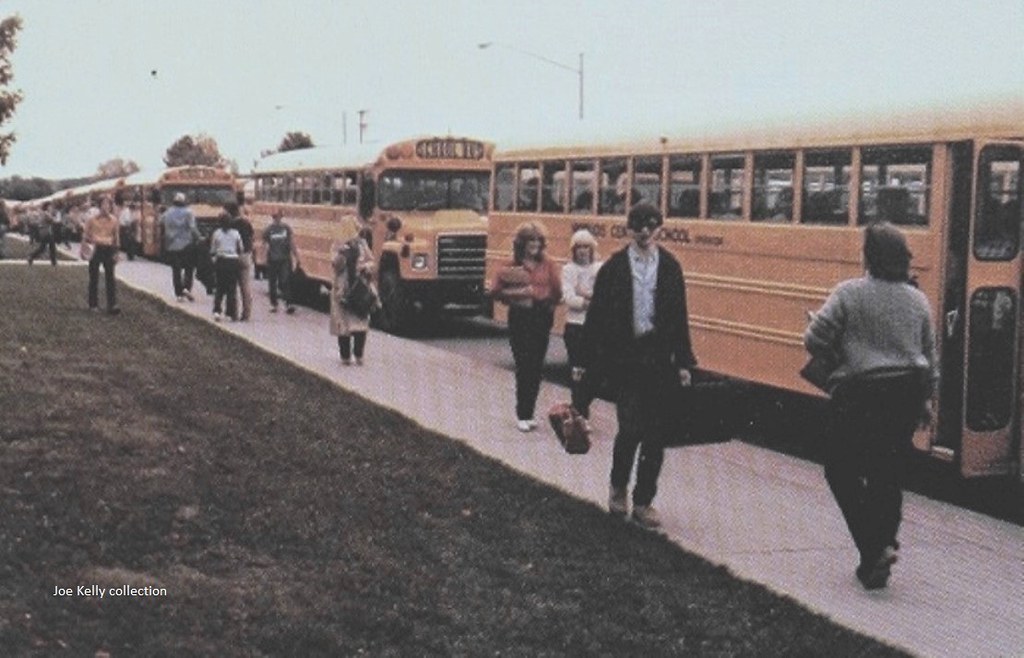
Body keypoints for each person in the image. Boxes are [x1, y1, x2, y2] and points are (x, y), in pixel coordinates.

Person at [804, 222, 938, 590]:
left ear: (868, 257)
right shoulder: (917, 299)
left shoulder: (849, 293)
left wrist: (825, 332)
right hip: (906, 392)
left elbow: (815, 340)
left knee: (840, 469)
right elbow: (929, 354)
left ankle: (874, 546)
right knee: (888, 470)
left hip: (860, 393)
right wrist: (927, 399)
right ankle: (880, 552)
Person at [583, 203, 697, 529]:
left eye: (650, 225)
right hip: (626, 359)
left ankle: (644, 501)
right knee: (631, 428)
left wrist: (684, 361)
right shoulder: (615, 268)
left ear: (659, 228)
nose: (644, 231)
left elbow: (679, 318)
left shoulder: (671, 267)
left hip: (659, 359)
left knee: (656, 435)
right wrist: (588, 359)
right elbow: (597, 317)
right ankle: (618, 489)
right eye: (637, 225)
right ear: (628, 228)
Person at [490, 221, 562, 432]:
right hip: (520, 316)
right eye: (530, 241)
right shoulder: (510, 264)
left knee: (536, 366)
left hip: (541, 315)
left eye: (538, 241)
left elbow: (557, 289)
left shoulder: (548, 264)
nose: (535, 245)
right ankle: (523, 413)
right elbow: (495, 290)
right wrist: (516, 295)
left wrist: (549, 304)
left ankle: (529, 412)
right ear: (521, 244)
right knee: (524, 364)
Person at [561, 229, 603, 420]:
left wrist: (583, 293)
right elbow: (569, 298)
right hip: (575, 327)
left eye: (586, 247)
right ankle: (580, 413)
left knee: (595, 372)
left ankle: (579, 406)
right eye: (579, 247)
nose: (583, 251)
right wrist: (590, 300)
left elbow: (605, 296)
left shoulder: (599, 268)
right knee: (577, 370)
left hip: (595, 327)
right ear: (574, 250)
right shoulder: (568, 270)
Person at [329, 220, 377, 365]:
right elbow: (335, 265)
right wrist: (342, 255)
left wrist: (365, 267)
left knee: (360, 323)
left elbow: (372, 262)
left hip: (360, 288)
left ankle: (359, 354)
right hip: (342, 290)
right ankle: (345, 356)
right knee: (343, 326)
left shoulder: (362, 244)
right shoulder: (337, 246)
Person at [82, 195, 121, 314]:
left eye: (108, 204)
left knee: (110, 277)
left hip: (109, 249)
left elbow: (116, 237)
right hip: (95, 249)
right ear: (99, 206)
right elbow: (85, 235)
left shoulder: (114, 220)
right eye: (104, 204)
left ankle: (112, 304)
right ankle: (93, 304)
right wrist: (86, 247)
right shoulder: (92, 220)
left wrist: (117, 252)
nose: (106, 207)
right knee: (94, 277)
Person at [160, 192, 200, 302]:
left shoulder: (167, 213)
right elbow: (192, 228)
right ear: (184, 202)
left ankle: (179, 294)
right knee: (189, 268)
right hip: (187, 245)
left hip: (172, 245)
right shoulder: (189, 212)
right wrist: (199, 238)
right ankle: (186, 288)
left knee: (176, 270)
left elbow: (160, 221)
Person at [263, 208, 300, 314]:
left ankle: (288, 304)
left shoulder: (286, 229)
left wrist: (296, 256)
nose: (277, 219)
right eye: (275, 217)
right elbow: (265, 244)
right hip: (272, 259)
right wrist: (266, 257)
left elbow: (291, 243)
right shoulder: (268, 230)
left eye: (278, 217)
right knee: (272, 283)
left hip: (284, 259)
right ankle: (274, 304)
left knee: (285, 281)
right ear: (273, 218)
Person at [209, 213, 244, 322]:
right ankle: (230, 313)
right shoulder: (236, 233)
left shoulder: (217, 233)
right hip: (233, 261)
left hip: (221, 261)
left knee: (219, 288)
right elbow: (240, 248)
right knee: (231, 289)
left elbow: (213, 249)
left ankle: (217, 311)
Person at [225, 202, 255, 321]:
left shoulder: (229, 225)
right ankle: (246, 313)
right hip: (245, 255)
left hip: (232, 256)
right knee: (245, 286)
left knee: (232, 285)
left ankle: (234, 313)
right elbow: (252, 237)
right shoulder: (246, 223)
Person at [27, 201, 58, 266]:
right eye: (50, 206)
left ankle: (31, 256)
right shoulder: (46, 214)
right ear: (47, 207)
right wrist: (55, 218)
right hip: (46, 232)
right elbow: (53, 220)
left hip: (42, 232)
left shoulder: (42, 213)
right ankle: (53, 261)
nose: (51, 208)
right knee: (52, 246)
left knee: (42, 248)